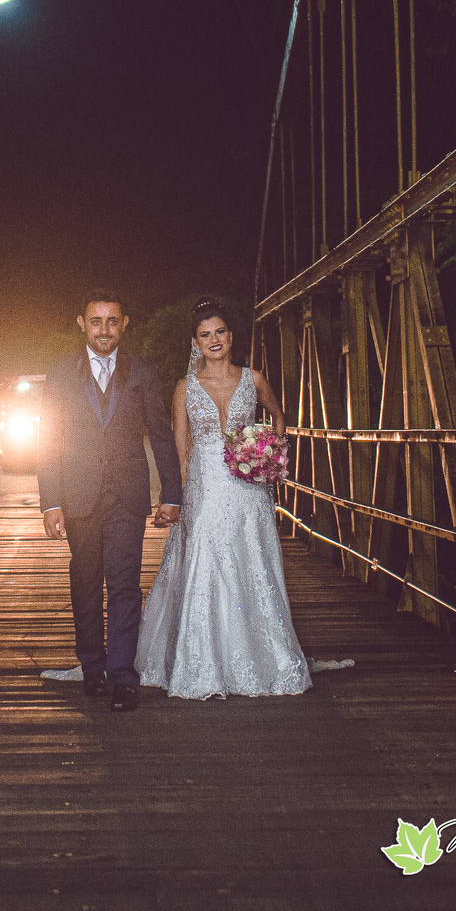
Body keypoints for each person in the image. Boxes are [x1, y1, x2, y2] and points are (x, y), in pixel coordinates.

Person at [136, 297, 312, 700]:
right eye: (205, 335)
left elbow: (279, 417)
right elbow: (181, 446)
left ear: (231, 337)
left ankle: (258, 654)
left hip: (247, 486)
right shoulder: (185, 387)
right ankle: (202, 658)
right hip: (204, 485)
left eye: (220, 332)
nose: (214, 340)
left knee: (249, 560)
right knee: (204, 560)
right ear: (195, 344)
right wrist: (178, 495)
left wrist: (268, 450)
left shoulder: (254, 378)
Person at [39, 290, 183, 712]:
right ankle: (92, 668)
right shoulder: (62, 372)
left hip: (127, 495)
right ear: (82, 323)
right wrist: (50, 502)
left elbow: (160, 434)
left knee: (124, 585)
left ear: (125, 324)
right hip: (78, 493)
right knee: (85, 583)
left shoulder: (142, 371)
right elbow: (48, 439)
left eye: (112, 321)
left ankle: (123, 676)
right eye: (96, 321)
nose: (104, 329)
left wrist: (171, 493)